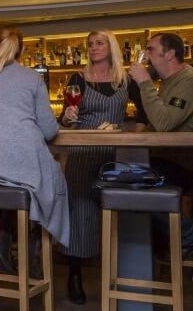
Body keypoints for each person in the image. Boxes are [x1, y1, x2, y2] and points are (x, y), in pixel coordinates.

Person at [0, 25, 69, 276]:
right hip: (22, 164)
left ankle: (3, 243)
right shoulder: (31, 77)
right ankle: (33, 255)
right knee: (51, 180)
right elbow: (49, 131)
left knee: (22, 185)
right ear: (22, 50)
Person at [59, 29, 145, 304]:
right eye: (90, 44)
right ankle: (75, 276)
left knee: (116, 215)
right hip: (83, 153)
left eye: (99, 43)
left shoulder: (125, 79)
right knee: (80, 213)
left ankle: (118, 275)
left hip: (115, 156)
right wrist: (69, 116)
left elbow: (143, 112)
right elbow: (65, 119)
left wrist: (136, 140)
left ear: (112, 47)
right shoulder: (79, 79)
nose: (94, 48)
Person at [128, 32, 193, 257]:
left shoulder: (190, 80)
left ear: (169, 54)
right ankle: (161, 252)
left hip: (192, 163)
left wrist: (145, 83)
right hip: (169, 159)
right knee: (119, 179)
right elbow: (156, 122)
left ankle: (190, 235)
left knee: (136, 186)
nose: (146, 55)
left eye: (150, 49)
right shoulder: (167, 83)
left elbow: (164, 123)